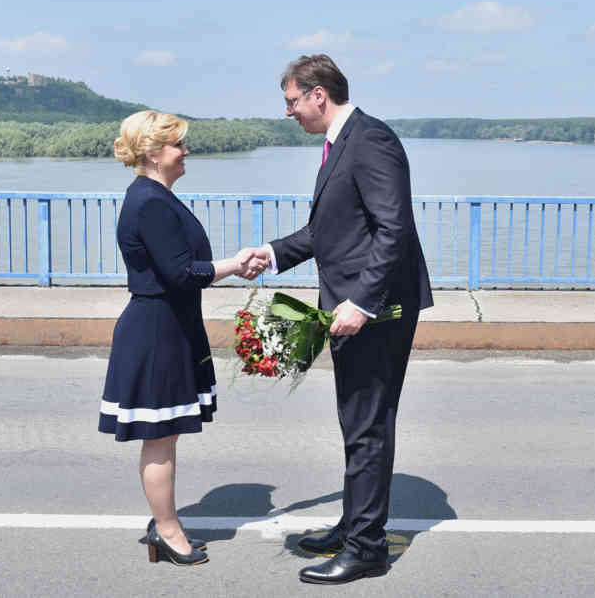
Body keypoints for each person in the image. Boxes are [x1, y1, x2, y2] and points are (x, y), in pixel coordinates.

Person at [254, 54, 433, 584]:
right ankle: (355, 526)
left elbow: (393, 228)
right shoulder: (342, 142)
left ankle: (367, 548)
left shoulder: (370, 140)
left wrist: (362, 301)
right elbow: (329, 231)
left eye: (291, 101)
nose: (289, 111)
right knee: (357, 425)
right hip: (355, 308)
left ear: (318, 94)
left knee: (367, 427)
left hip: (376, 312)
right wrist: (271, 253)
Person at [99, 110, 268, 566]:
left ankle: (166, 524)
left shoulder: (153, 195)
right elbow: (181, 273)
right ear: (155, 153)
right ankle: (167, 529)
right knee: (160, 437)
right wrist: (236, 264)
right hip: (157, 331)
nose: (185, 151)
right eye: (178, 145)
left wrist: (231, 266)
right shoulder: (150, 201)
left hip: (169, 326)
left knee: (166, 436)